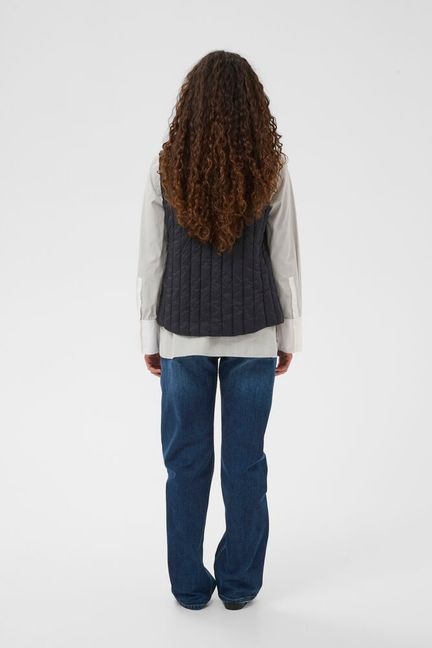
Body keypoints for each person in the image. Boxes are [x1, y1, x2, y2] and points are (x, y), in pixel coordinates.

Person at [136, 50, 302, 611]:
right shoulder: (270, 169)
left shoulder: (166, 168)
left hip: (181, 337)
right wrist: (288, 336)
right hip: (254, 336)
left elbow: (151, 260)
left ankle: (188, 587)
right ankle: (240, 584)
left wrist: (150, 337)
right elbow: (285, 260)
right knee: (245, 463)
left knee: (185, 462)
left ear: (191, 104)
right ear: (254, 107)